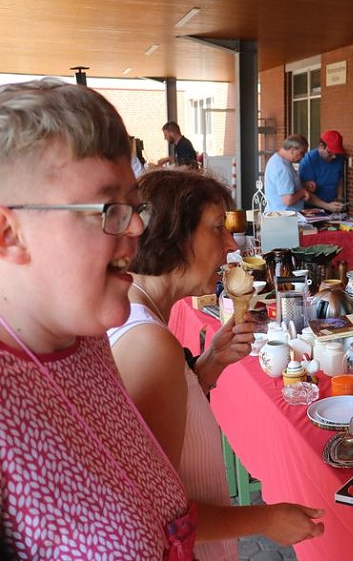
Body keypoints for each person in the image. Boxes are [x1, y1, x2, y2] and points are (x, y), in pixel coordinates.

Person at [0, 79, 195, 557]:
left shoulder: (84, 339)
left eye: (134, 205)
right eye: (109, 207)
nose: (138, 227)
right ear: (9, 231)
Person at [109, 169, 325, 559]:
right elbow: (158, 512)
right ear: (175, 236)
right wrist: (266, 519)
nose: (230, 245)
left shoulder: (142, 320)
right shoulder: (147, 343)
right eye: (216, 228)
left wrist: (205, 369)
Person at [299, 129, 346, 213]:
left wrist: (339, 198)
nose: (334, 156)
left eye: (336, 153)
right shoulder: (309, 160)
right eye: (330, 152)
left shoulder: (339, 159)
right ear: (321, 146)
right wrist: (327, 206)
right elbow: (305, 192)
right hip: (312, 209)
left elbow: (340, 180)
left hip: (332, 206)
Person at [264, 134, 309, 212]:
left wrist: (304, 185)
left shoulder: (276, 159)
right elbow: (288, 200)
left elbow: (284, 186)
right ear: (293, 151)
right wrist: (302, 192)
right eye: (302, 153)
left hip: (277, 212)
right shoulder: (283, 168)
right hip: (284, 216)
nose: (303, 156)